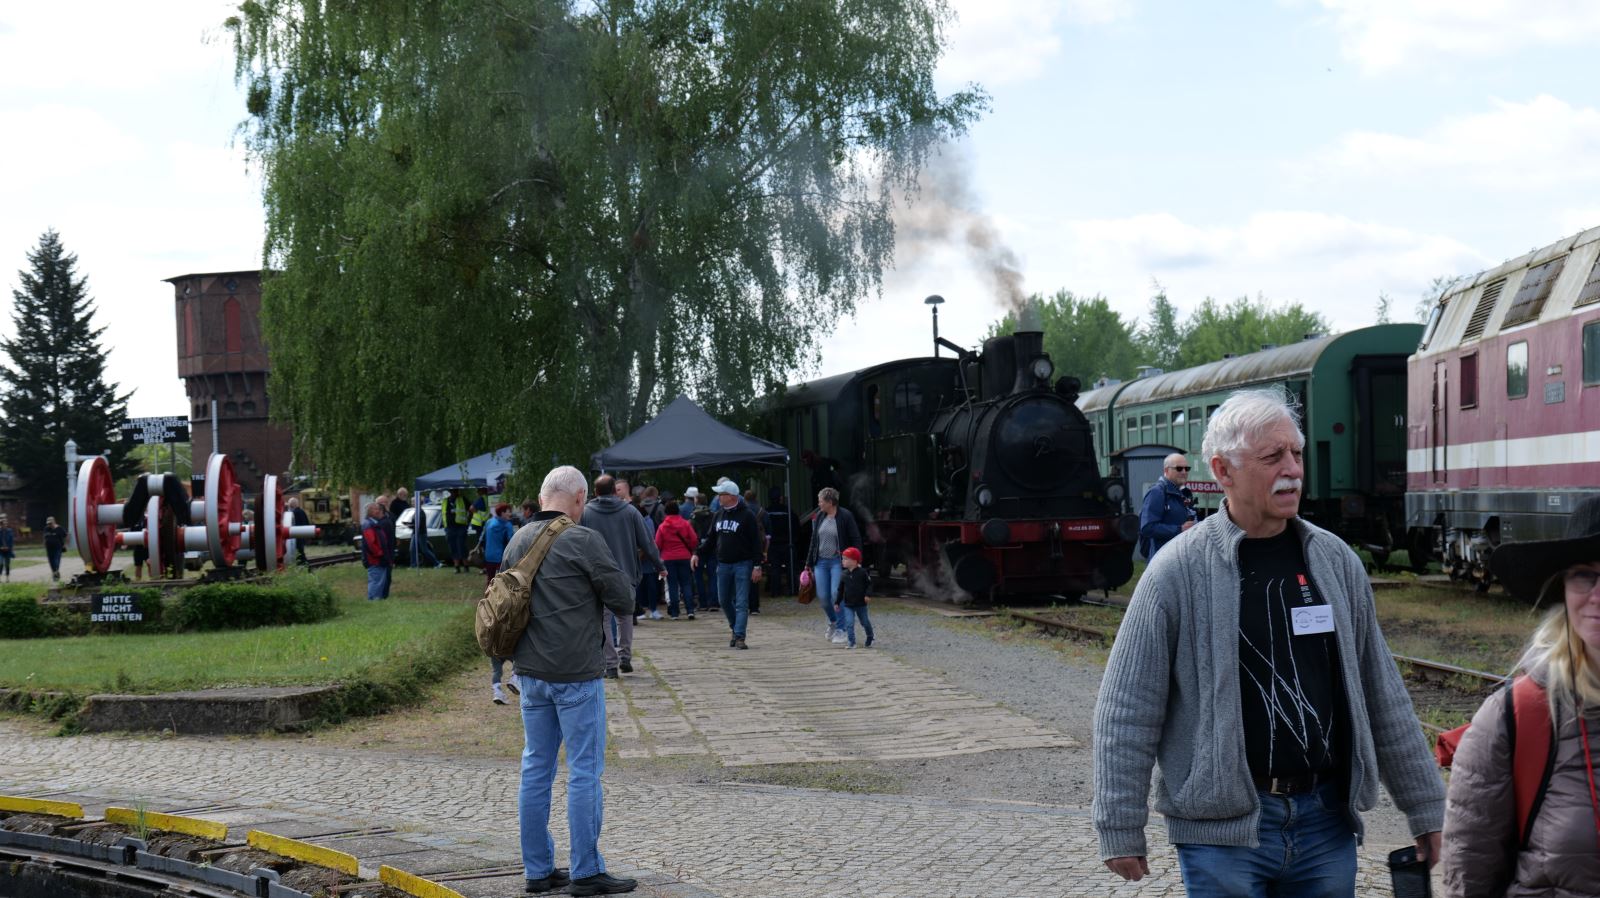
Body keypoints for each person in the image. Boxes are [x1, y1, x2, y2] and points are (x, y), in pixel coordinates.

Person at [1093, 388, 1444, 893]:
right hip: (1222, 835)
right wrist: (1120, 824)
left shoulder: (1335, 561)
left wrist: (1426, 806)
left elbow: (1381, 692)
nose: (1293, 470)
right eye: (1273, 456)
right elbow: (1128, 706)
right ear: (1223, 471)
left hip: (1326, 822)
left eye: (1296, 454)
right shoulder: (1176, 571)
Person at [1441, 496, 1600, 896]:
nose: (1598, 594)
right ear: (1563, 590)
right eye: (1584, 575)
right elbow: (1471, 879)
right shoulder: (1516, 716)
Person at [502, 465, 637, 896]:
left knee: (535, 768)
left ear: (542, 498)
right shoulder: (583, 539)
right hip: (576, 674)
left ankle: (538, 870)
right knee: (583, 771)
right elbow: (624, 599)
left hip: (530, 674)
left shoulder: (517, 541)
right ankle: (586, 871)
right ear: (580, 499)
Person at [585, 475, 664, 677]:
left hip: (598, 574)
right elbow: (647, 542)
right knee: (625, 615)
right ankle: (625, 656)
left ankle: (610, 664)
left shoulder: (586, 513)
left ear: (595, 492)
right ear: (614, 490)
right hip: (625, 572)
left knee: (603, 619)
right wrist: (659, 565)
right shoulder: (630, 511)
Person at [692, 480, 764, 649]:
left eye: (721, 494)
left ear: (731, 496)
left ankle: (739, 636)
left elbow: (756, 542)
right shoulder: (718, 515)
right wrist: (697, 553)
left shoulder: (747, 515)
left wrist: (757, 565)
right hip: (723, 564)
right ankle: (735, 627)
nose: (718, 497)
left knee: (741, 602)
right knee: (723, 600)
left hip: (743, 564)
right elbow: (711, 539)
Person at [805, 487, 862, 644]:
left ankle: (842, 629)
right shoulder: (820, 516)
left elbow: (856, 538)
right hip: (821, 562)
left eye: (821, 501)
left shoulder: (846, 516)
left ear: (830, 502)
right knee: (823, 597)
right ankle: (833, 621)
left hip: (838, 561)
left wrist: (857, 559)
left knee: (835, 594)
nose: (819, 504)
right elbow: (814, 541)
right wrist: (808, 563)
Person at [1138, 452, 1196, 560]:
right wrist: (1179, 529)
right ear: (1166, 470)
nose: (1184, 472)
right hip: (1163, 559)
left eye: (1187, 468)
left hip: (1181, 557)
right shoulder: (1157, 492)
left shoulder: (1184, 493)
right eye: (1179, 468)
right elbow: (1147, 527)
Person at [655, 499, 699, 620]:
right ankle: (690, 610)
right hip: (685, 556)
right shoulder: (685, 524)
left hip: (668, 558)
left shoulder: (662, 526)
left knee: (672, 585)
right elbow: (694, 539)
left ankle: (674, 613)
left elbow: (657, 544)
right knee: (686, 583)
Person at [834, 546, 875, 649]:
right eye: (842, 558)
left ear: (854, 561)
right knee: (849, 623)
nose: (842, 561)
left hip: (861, 604)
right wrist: (837, 602)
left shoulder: (863, 572)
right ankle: (851, 642)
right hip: (848, 604)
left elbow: (869, 585)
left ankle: (870, 636)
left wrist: (867, 595)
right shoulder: (843, 574)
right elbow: (840, 590)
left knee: (864, 622)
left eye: (845, 559)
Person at [360, 502, 394, 600]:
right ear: (369, 511)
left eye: (378, 509)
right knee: (376, 580)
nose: (378, 511)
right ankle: (374, 600)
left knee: (380, 580)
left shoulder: (373, 523)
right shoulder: (368, 525)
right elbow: (371, 543)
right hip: (375, 559)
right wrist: (380, 553)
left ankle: (377, 599)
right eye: (375, 509)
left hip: (378, 558)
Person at [743, 489, 767, 614]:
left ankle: (743, 604)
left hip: (744, 547)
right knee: (755, 577)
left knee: (741, 577)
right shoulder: (761, 511)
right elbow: (768, 532)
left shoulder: (742, 511)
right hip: (758, 546)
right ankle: (754, 606)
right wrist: (766, 550)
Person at [483, 502, 516, 583]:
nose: (510, 514)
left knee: (490, 579)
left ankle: (489, 591)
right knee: (503, 581)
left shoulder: (489, 522)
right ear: (502, 513)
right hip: (501, 557)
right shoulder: (507, 525)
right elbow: (512, 542)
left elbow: (483, 538)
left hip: (489, 556)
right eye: (508, 512)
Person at [445, 489, 472, 573]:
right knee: (452, 547)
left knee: (462, 546)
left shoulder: (463, 499)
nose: (454, 492)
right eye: (452, 491)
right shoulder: (445, 501)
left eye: (455, 491)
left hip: (461, 527)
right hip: (449, 528)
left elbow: (471, 509)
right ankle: (456, 567)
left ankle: (466, 566)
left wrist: (468, 521)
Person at [286, 498, 311, 566]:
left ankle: (306, 567)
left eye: (289, 505)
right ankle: (304, 567)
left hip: (297, 537)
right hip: (302, 536)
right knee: (300, 553)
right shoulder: (302, 512)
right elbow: (307, 523)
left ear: (291, 505)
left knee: (299, 553)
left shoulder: (294, 513)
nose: (289, 507)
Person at [42, 516, 66, 582]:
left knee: (56, 559)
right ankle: (55, 572)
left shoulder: (59, 528)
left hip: (58, 547)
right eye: (48, 523)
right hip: (49, 548)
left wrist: (64, 544)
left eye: (50, 523)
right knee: (51, 561)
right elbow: (44, 537)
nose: (49, 525)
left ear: (54, 522)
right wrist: (44, 543)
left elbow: (65, 536)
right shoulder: (46, 528)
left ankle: (56, 572)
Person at [0, 515, 13, 582]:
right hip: (0, 551)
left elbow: (11, 541)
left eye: (5, 524)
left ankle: (7, 578)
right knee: (1, 563)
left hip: (8, 551)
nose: (4, 525)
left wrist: (9, 547)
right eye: (3, 524)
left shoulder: (9, 531)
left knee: (7, 564)